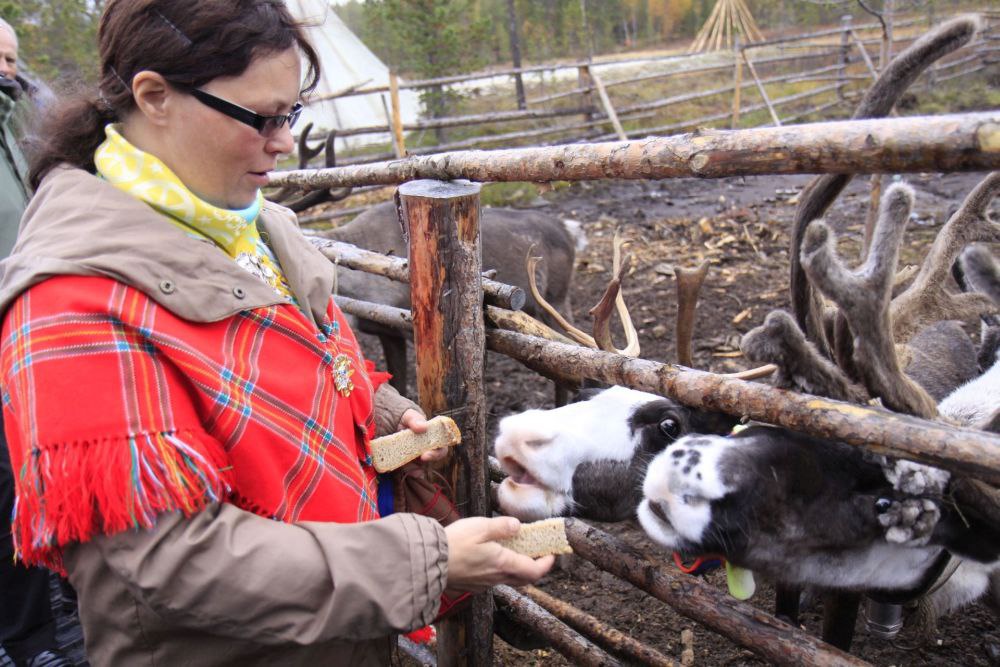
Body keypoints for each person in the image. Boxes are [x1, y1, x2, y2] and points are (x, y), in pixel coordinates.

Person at [0, 2, 553, 665]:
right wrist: (424, 559)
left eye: (290, 113)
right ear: (155, 97)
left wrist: (377, 409)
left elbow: (301, 359)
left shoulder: (251, 227)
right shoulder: (73, 307)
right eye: (263, 117)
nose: (284, 140)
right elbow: (170, 561)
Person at [0, 17, 72, 667]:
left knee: (49, 465)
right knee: (6, 481)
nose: (10, 71)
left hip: (37, 318)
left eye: (13, 59)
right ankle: (29, 639)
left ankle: (73, 601)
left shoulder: (26, 118)